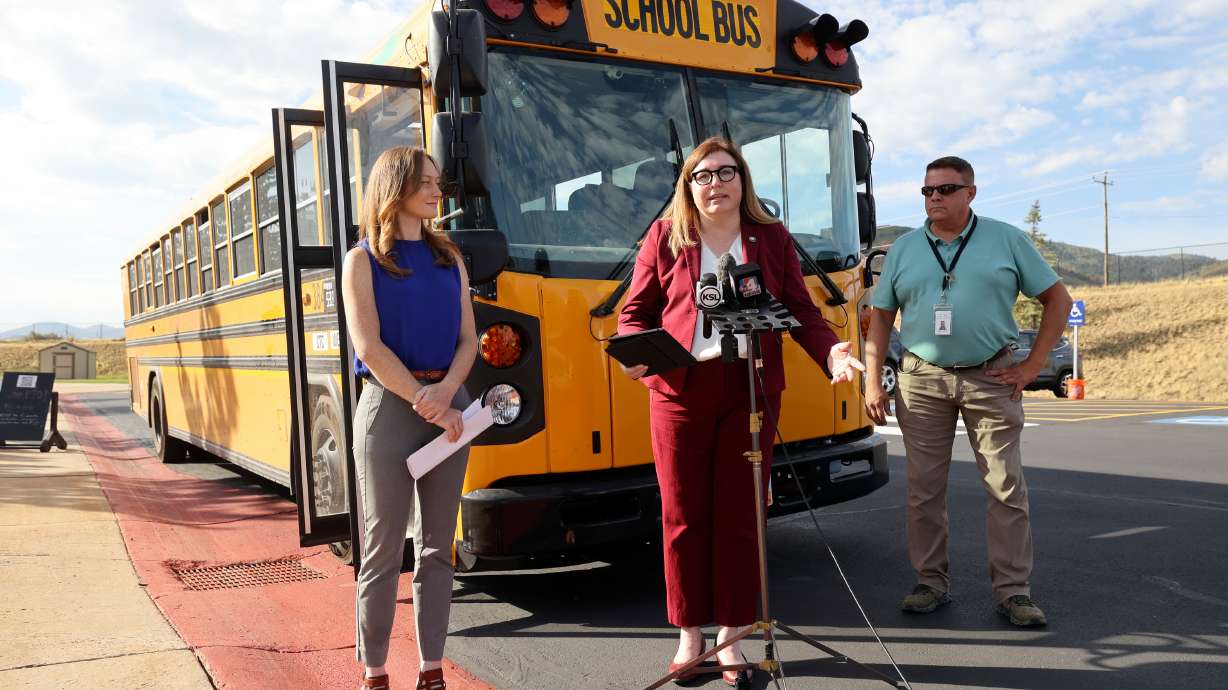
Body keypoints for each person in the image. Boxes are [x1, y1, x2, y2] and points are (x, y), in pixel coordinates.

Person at [618, 137, 865, 686]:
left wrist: (830, 350)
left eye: (726, 173)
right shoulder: (666, 236)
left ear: (743, 181)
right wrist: (635, 353)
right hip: (681, 391)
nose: (715, 184)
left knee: (739, 517)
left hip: (751, 390)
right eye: (702, 176)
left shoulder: (771, 238)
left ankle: (731, 640)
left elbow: (800, 308)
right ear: (688, 186)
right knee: (683, 516)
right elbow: (633, 312)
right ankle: (690, 638)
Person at [863, 156, 1072, 627]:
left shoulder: (1006, 239)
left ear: (970, 193)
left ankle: (1013, 592)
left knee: (1005, 487)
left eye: (945, 189)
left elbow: (1057, 298)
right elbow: (879, 317)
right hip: (921, 380)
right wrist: (873, 379)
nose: (934, 198)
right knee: (923, 491)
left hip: (992, 377)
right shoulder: (903, 250)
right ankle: (930, 582)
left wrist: (1033, 365)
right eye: (927, 191)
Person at [341, 146, 478, 690]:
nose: (435, 190)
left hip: (451, 407)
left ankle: (431, 670)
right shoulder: (362, 260)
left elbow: (469, 339)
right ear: (394, 187)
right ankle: (375, 673)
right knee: (383, 546)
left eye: (436, 181)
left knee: (437, 548)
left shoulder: (451, 258)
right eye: (424, 181)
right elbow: (369, 348)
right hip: (390, 411)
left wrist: (447, 393)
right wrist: (427, 400)